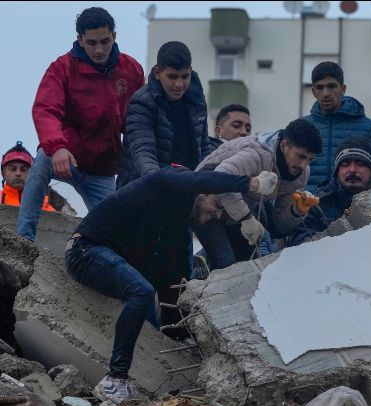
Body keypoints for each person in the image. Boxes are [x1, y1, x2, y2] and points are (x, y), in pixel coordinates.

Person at [65, 166, 265, 403]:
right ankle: (115, 379)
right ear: (202, 191)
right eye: (218, 206)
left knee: (148, 290)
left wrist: (183, 336)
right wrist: (250, 184)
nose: (218, 215)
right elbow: (199, 178)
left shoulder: (174, 231)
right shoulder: (166, 181)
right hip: (84, 250)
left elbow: (173, 288)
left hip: (106, 257)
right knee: (141, 292)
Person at [16, 7, 144, 241]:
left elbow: (138, 121)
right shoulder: (62, 68)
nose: (99, 49)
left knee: (118, 230)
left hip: (102, 170)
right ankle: (24, 239)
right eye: (91, 42)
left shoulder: (131, 70)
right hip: (66, 158)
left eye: (105, 41)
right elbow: (46, 109)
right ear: (80, 40)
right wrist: (58, 147)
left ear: (114, 36)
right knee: (43, 157)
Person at [194, 119, 322, 270]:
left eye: (310, 159)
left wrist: (296, 212)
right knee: (226, 263)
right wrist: (246, 218)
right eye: (300, 156)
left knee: (251, 266)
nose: (303, 165)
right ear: (283, 145)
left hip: (238, 215)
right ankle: (198, 281)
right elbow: (221, 179)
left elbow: (278, 226)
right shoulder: (256, 155)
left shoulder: (302, 173)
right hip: (204, 206)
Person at [118, 41, 215, 187]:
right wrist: (159, 185)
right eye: (172, 77)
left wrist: (211, 181)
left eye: (185, 76)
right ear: (158, 73)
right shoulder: (141, 102)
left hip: (188, 185)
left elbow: (204, 146)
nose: (179, 84)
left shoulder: (197, 99)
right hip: (143, 188)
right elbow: (143, 152)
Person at [1, 142, 57, 355]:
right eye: (12, 168)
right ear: (3, 172)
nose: (17, 174)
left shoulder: (49, 209)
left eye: (24, 169)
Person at [303, 61, 371, 192]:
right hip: (309, 208)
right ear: (314, 91)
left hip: (355, 208)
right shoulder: (302, 127)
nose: (326, 93)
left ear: (343, 89)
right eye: (320, 87)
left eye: (332, 86)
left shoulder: (370, 128)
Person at [288, 135, 371, 246]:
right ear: (336, 172)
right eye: (345, 164)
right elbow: (300, 245)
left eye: (360, 164)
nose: (352, 170)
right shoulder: (317, 203)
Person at [1, 142, 55, 212]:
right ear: (3, 173)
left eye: (23, 169)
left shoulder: (45, 204)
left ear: (32, 173)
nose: (18, 173)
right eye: (13, 169)